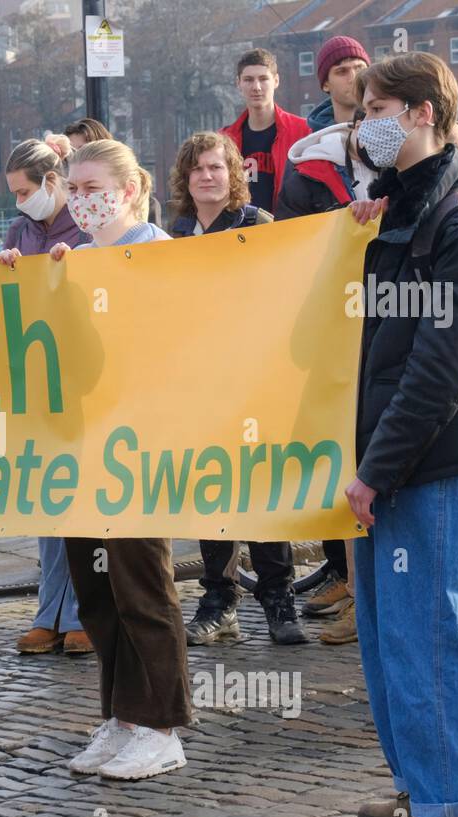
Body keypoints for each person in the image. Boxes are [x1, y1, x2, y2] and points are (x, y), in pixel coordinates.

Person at [346, 51, 458, 817]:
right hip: (400, 461)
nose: (360, 122)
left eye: (374, 106)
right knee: (391, 638)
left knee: (435, 634)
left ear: (419, 114)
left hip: (431, 465)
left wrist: (378, 467)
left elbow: (442, 363)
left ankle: (456, 810)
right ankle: (422, 782)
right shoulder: (403, 206)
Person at [48, 139, 191, 781]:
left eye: (92, 187)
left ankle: (162, 725)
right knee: (96, 588)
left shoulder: (161, 253)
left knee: (140, 582)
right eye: (72, 189)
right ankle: (123, 714)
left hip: (140, 442)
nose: (81, 200)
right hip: (85, 442)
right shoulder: (74, 257)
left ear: (131, 189)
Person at [164, 133, 305, 647]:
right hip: (200, 383)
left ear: (233, 175)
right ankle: (220, 599)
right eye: (198, 168)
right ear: (186, 177)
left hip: (255, 379)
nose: (207, 176)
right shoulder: (173, 237)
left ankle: (278, 598)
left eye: (217, 168)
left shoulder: (258, 226)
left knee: (263, 492)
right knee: (213, 492)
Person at [276, 113, 378, 644]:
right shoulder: (311, 173)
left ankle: (367, 602)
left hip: (379, 329)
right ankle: (358, 596)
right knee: (348, 464)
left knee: (369, 467)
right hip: (332, 334)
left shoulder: (401, 164)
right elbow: (294, 247)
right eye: (376, 111)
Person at [0, 135, 92, 657]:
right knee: (48, 499)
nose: (19, 201)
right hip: (40, 379)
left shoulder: (85, 228)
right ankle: (50, 609)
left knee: (77, 498)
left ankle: (81, 611)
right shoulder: (19, 230)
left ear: (51, 182)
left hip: (79, 378)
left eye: (24, 190)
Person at [221, 48, 311, 215]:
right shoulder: (224, 141)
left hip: (289, 229)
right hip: (240, 233)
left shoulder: (303, 132)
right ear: (238, 83)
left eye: (263, 79)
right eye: (248, 80)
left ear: (276, 81)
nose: (256, 87)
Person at [64, 117, 163, 227]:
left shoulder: (145, 203)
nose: (76, 158)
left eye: (82, 150)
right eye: (69, 153)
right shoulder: (71, 202)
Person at [306, 36, 371, 131]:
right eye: (342, 71)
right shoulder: (313, 141)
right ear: (325, 85)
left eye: (359, 68)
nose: (353, 78)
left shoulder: (390, 129)